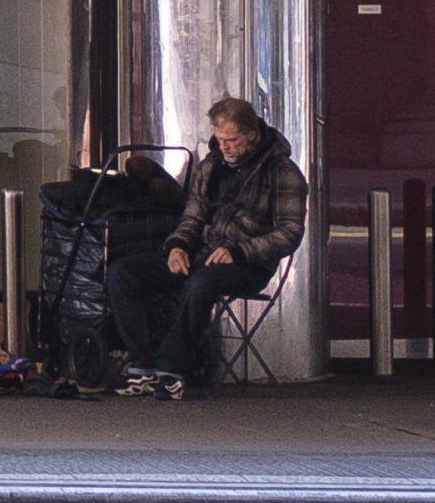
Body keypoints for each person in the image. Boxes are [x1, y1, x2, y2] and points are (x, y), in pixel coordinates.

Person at [105, 95, 307, 400]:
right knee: (122, 272)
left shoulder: (282, 171)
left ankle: (170, 369)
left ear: (252, 136)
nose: (224, 146)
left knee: (201, 283)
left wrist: (240, 251)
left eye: (232, 140)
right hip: (202, 254)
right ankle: (143, 365)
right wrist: (177, 246)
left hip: (248, 264)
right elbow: (193, 215)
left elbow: (290, 232)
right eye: (219, 138)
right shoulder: (211, 164)